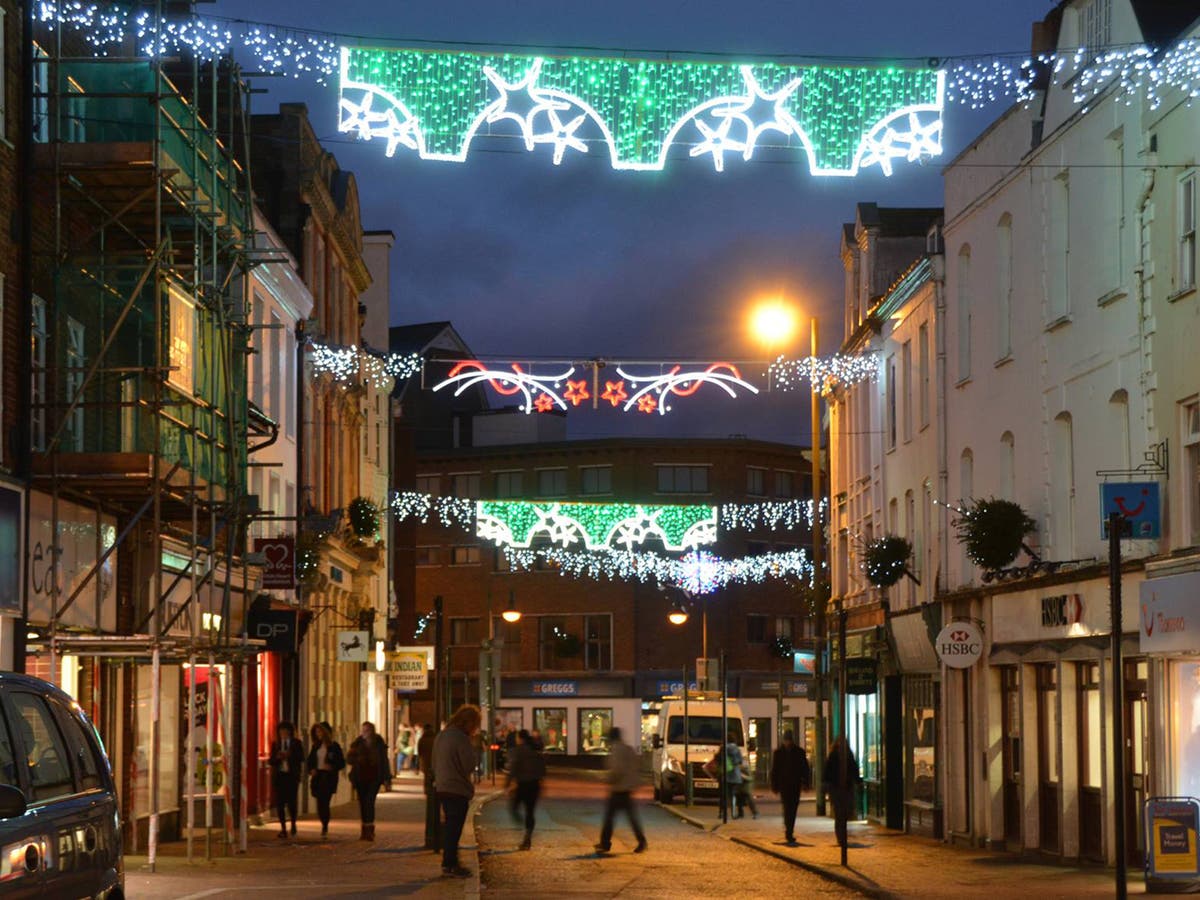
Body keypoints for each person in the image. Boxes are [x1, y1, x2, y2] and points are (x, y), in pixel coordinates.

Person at [433, 705, 481, 878]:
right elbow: (468, 765)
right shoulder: (461, 738)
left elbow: (433, 762)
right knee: (454, 827)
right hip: (457, 788)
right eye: (475, 724)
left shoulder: (442, 735)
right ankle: (450, 863)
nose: (475, 729)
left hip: (443, 785)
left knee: (450, 824)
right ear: (469, 723)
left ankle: (450, 862)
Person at [595, 726, 647, 855]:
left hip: (619, 788)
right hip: (627, 788)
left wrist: (607, 779)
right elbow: (637, 764)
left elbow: (617, 769)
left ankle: (605, 843)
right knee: (631, 817)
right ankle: (641, 841)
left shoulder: (617, 749)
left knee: (609, 817)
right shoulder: (628, 748)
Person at [348, 721, 391, 841]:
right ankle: (364, 829)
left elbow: (384, 761)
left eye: (367, 730)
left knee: (370, 802)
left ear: (372, 731)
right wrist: (357, 758)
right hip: (360, 777)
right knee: (362, 803)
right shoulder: (357, 743)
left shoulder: (379, 743)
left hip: (374, 777)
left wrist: (387, 778)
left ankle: (370, 829)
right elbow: (349, 759)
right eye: (363, 730)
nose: (364, 733)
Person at [506, 729, 546, 850]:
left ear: (520, 738)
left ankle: (522, 826)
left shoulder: (517, 751)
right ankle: (527, 836)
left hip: (522, 784)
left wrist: (508, 784)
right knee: (530, 811)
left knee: (513, 807)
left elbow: (513, 768)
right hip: (534, 785)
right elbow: (543, 768)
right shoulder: (535, 750)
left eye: (517, 737)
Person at [770, 729, 811, 844]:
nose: (787, 743)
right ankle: (789, 832)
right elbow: (775, 770)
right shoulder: (779, 753)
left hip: (795, 785)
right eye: (786, 740)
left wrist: (806, 783)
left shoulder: (799, 752)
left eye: (788, 740)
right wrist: (775, 785)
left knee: (792, 809)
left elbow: (805, 769)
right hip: (785, 785)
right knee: (788, 809)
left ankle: (789, 830)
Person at [823, 735, 862, 855]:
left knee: (844, 813)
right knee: (840, 813)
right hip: (836, 788)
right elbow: (827, 772)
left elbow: (854, 769)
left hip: (845, 788)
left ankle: (841, 836)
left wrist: (857, 781)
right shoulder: (834, 756)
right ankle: (841, 838)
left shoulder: (847, 755)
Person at [306, 721, 345, 839]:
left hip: (328, 777)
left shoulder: (334, 746)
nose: (318, 734)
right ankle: (323, 821)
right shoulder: (315, 746)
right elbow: (310, 761)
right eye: (316, 732)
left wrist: (332, 766)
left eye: (320, 731)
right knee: (319, 803)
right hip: (318, 776)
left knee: (325, 802)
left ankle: (325, 826)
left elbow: (341, 762)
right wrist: (311, 770)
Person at [267, 721, 304, 838]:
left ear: (290, 732)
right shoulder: (276, 744)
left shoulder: (296, 743)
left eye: (285, 731)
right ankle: (283, 828)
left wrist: (290, 755)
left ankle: (293, 823)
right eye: (281, 731)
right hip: (280, 776)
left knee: (292, 802)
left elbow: (301, 758)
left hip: (291, 776)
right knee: (280, 803)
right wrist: (278, 757)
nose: (283, 733)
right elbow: (271, 761)